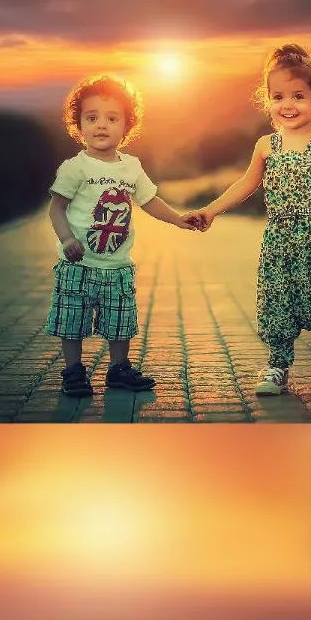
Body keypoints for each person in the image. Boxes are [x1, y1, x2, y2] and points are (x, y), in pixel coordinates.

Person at [183, 44, 311, 396]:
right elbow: (245, 184)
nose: (287, 105)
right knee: (277, 303)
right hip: (279, 241)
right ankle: (277, 368)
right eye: (278, 96)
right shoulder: (266, 145)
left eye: (298, 96)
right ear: (268, 99)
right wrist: (210, 210)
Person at [45, 74, 196, 397]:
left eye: (112, 119)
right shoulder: (76, 168)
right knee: (72, 319)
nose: (101, 125)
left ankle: (119, 370)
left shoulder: (131, 168)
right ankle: (73, 372)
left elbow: (150, 201)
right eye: (92, 118)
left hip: (117, 265)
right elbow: (56, 209)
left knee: (121, 320)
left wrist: (179, 219)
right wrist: (68, 239)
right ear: (79, 125)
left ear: (126, 127)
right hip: (78, 265)